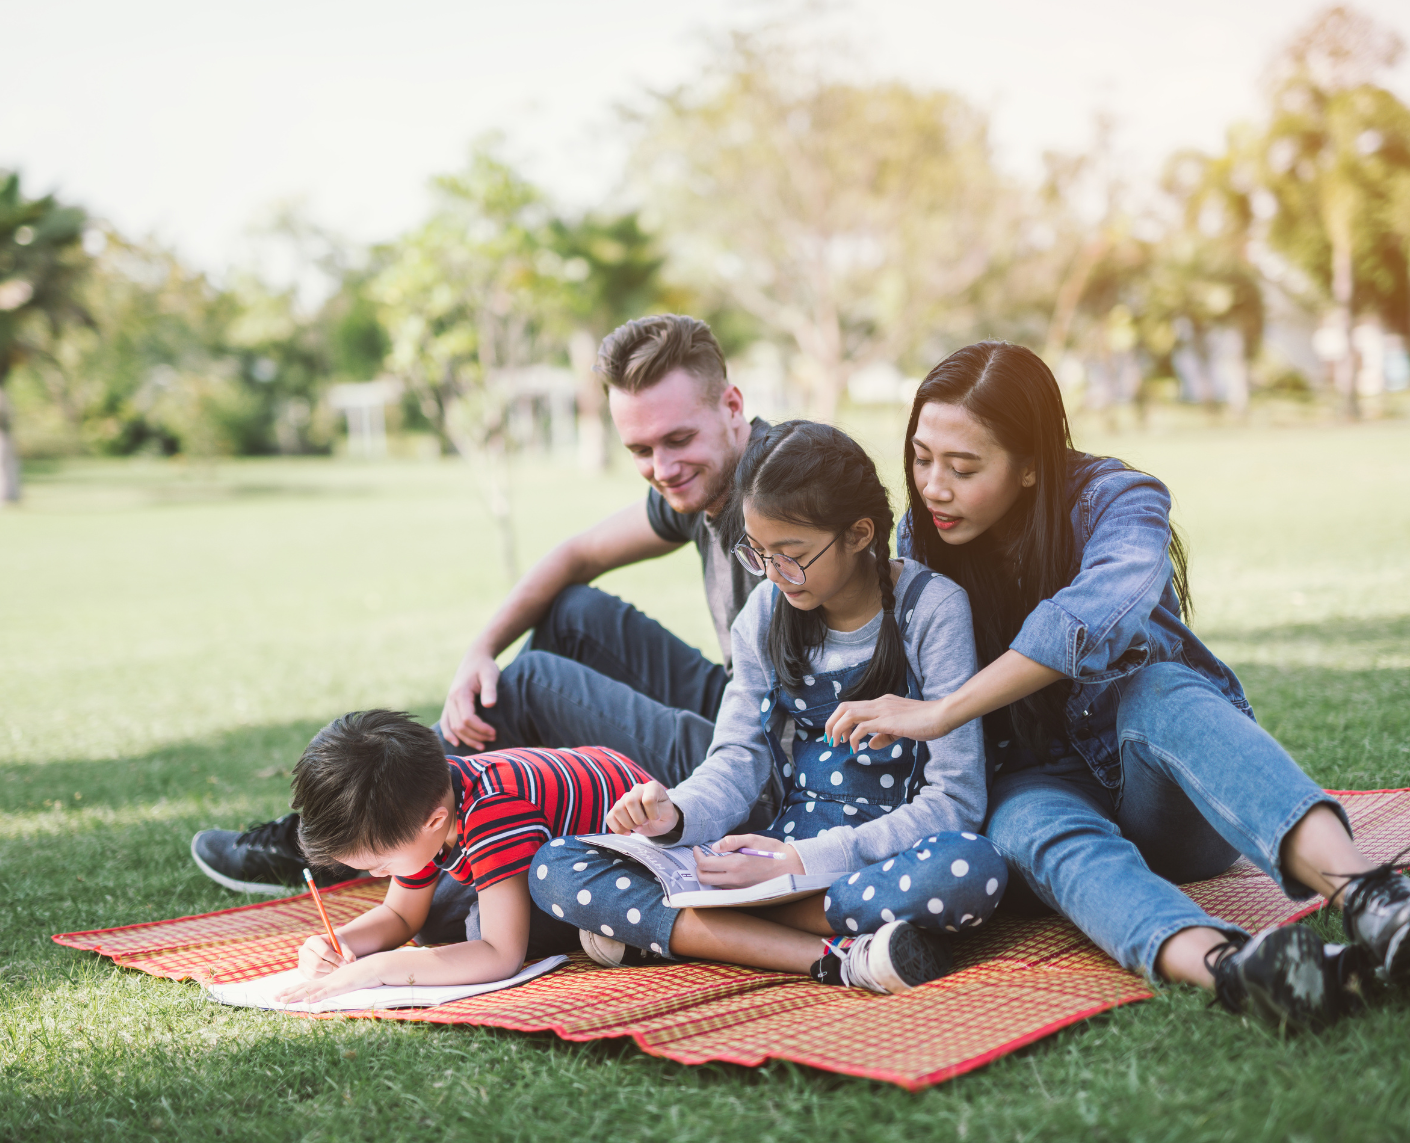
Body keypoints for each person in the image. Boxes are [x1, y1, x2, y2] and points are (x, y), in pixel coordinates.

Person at [825, 340, 1410, 1029]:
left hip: (1174, 794)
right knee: (1018, 819)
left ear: (1030, 467)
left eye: (963, 467)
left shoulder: (1120, 501)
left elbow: (1086, 621)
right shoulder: (922, 546)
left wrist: (940, 712)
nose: (934, 487)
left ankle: (1375, 901)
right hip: (1039, 784)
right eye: (921, 458)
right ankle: (1238, 969)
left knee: (1161, 689)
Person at [191, 315, 773, 912]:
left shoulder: (785, 479)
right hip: (736, 703)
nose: (662, 468)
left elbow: (871, 587)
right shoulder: (704, 480)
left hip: (768, 760)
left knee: (531, 681)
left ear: (732, 404)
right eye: (640, 449)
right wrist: (480, 651)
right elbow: (574, 555)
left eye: (677, 440)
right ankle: (412, 828)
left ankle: (377, 836)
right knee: (570, 614)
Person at [530, 421, 1007, 994]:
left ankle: (696, 932)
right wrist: (673, 815)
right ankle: (834, 955)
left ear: (859, 534)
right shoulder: (765, 612)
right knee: (556, 866)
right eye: (758, 554)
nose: (775, 575)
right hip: (765, 859)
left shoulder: (932, 610)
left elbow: (957, 799)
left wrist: (799, 862)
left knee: (968, 870)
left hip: (872, 859)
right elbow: (736, 759)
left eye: (792, 555)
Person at [274, 709, 654, 1004]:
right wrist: (339, 944)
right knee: (434, 919)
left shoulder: (493, 810)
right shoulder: (426, 801)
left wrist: (381, 968)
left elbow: (501, 956)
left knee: (478, 935)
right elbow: (402, 915)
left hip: (634, 853)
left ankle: (612, 927)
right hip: (545, 837)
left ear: (434, 822)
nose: (377, 875)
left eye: (382, 865)